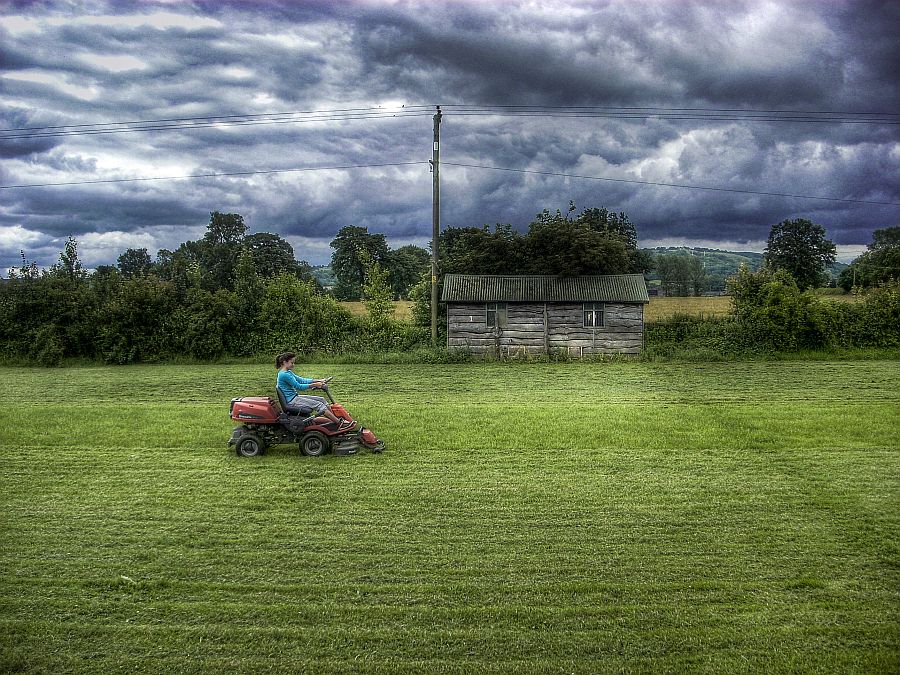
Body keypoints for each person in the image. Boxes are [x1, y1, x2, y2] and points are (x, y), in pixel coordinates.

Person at [275, 352, 353, 429]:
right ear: (285, 362)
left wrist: (319, 380)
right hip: (292, 401)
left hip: (294, 397)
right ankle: (339, 423)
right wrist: (316, 384)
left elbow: (302, 380)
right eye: (292, 362)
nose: (293, 365)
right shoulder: (284, 375)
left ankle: (335, 420)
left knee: (322, 399)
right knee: (319, 405)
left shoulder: (288, 372)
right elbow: (299, 386)